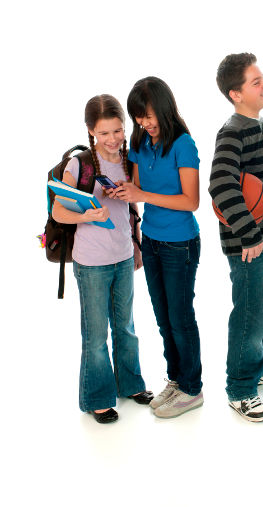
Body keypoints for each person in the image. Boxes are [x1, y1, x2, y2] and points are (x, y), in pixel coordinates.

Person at [52, 94, 152, 423]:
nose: (112, 140)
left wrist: (128, 192)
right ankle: (98, 398)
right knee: (96, 334)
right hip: (91, 262)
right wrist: (90, 215)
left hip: (123, 256)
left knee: (126, 327)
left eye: (117, 131)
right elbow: (59, 211)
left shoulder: (129, 159)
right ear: (90, 132)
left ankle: (131, 385)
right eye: (103, 133)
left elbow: (136, 202)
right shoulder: (79, 164)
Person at [210, 52, 263, 422]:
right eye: (256, 82)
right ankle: (241, 388)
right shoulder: (232, 132)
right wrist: (248, 234)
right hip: (250, 247)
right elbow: (221, 186)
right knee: (249, 316)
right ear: (236, 94)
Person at [114, 76, 204, 419]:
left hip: (180, 243)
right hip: (151, 241)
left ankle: (192, 388)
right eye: (138, 117)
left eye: (148, 115)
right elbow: (134, 185)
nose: (144, 123)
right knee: (164, 318)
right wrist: (120, 189)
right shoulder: (140, 141)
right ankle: (176, 378)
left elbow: (190, 200)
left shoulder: (184, 144)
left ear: (164, 108)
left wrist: (140, 195)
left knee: (181, 318)